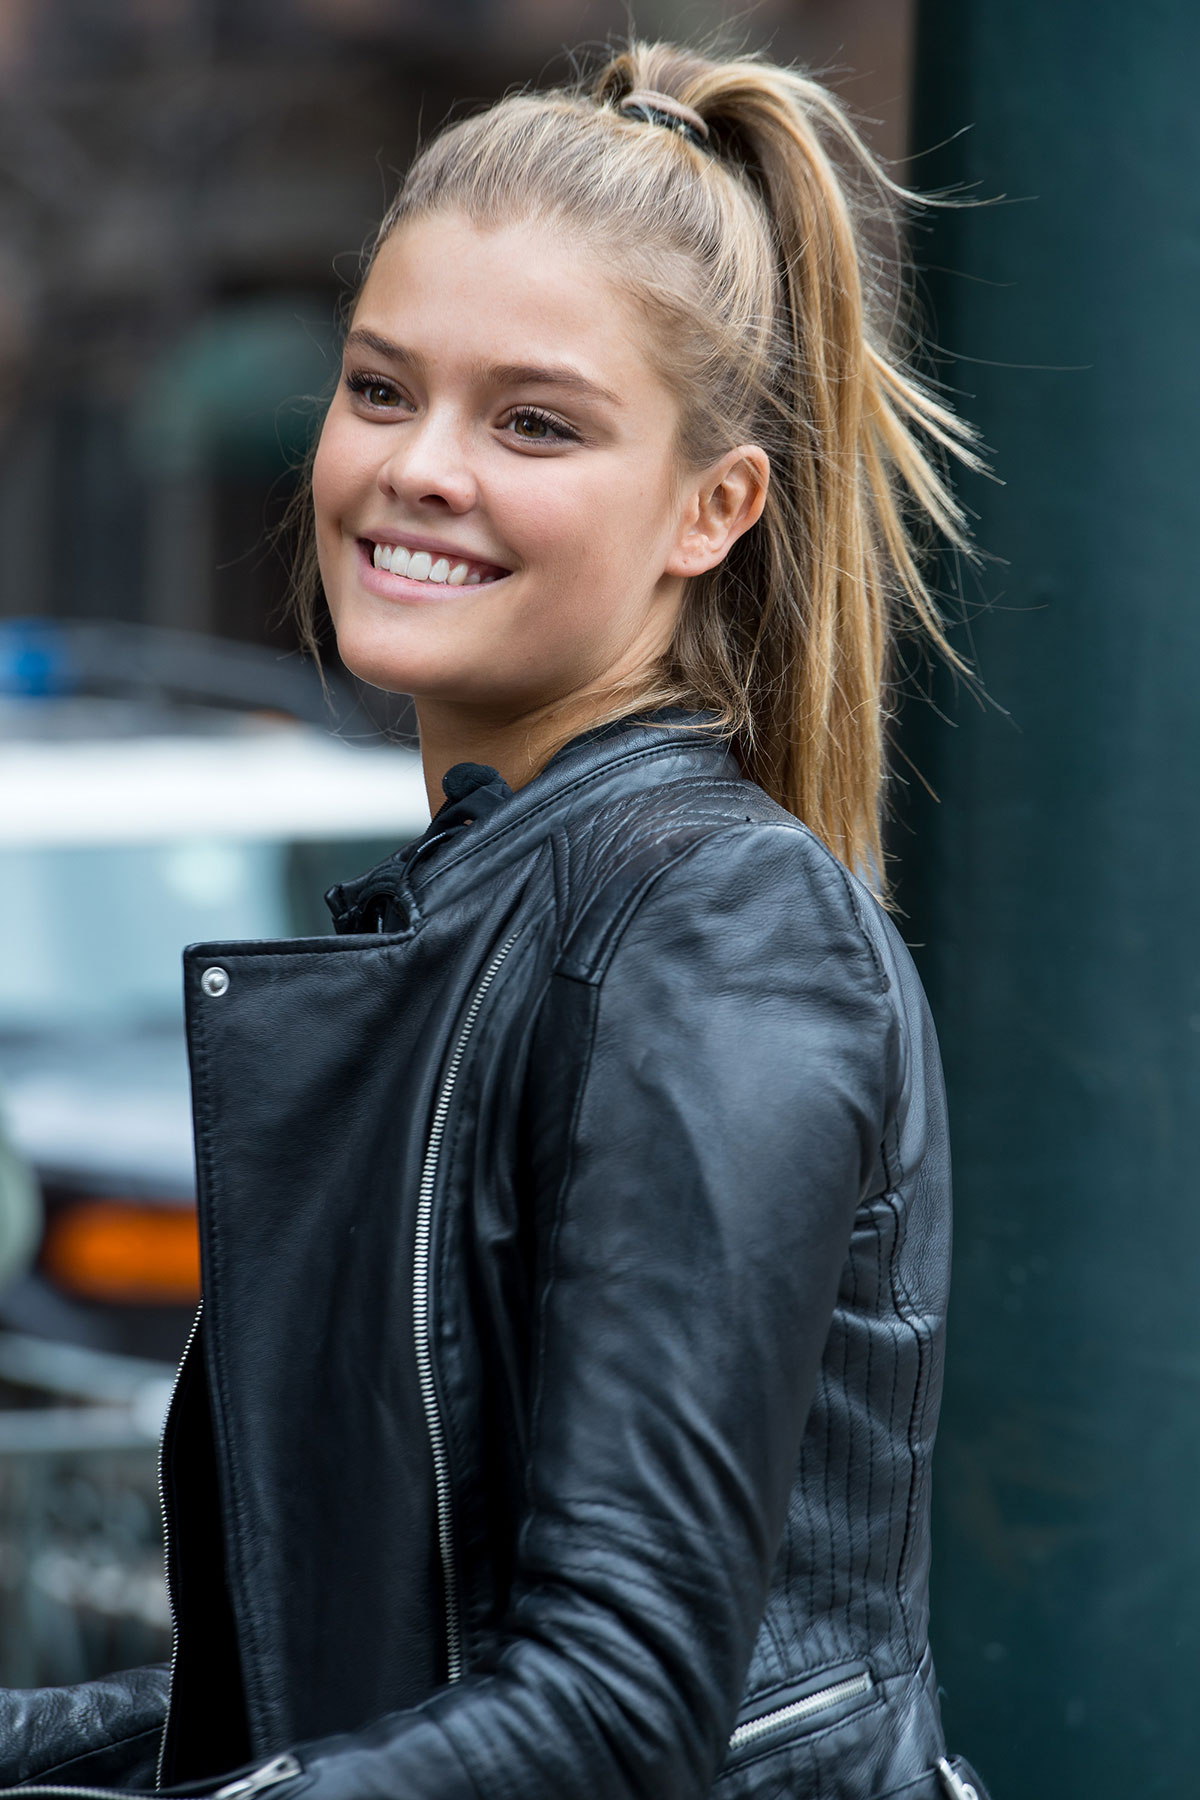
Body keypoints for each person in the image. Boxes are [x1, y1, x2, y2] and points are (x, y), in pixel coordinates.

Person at [0, 41, 989, 1800]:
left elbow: (617, 1711)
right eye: (382, 391)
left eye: (534, 422)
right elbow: (346, 1711)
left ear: (715, 508)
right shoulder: (492, 902)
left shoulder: (716, 934)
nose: (421, 467)